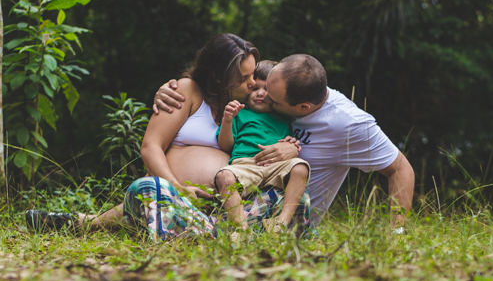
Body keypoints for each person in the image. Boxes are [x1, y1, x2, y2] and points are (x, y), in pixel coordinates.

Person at [25, 33, 304, 239]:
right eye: (244, 78)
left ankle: (206, 231)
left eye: (253, 74)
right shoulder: (187, 90)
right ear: (219, 76)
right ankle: (206, 232)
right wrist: (177, 186)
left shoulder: (256, 108)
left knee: (297, 200)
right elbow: (150, 147)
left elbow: (278, 139)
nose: (253, 83)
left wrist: (291, 148)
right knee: (146, 189)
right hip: (173, 196)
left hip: (228, 205)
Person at [153, 54, 416, 230]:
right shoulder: (283, 84)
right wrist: (174, 88)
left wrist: (398, 233)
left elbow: (400, 169)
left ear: (302, 107)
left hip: (282, 210)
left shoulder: (349, 124)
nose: (263, 99)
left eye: (273, 101)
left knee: (163, 207)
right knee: (155, 199)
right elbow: (239, 82)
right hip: (235, 192)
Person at [214, 60, 310, 232]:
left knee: (301, 168)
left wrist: (291, 143)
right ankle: (239, 228)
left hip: (275, 166)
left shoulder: (284, 116)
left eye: (267, 90)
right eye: (255, 88)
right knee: (223, 176)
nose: (260, 93)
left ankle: (281, 222)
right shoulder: (240, 114)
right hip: (245, 165)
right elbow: (225, 145)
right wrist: (227, 120)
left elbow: (290, 145)